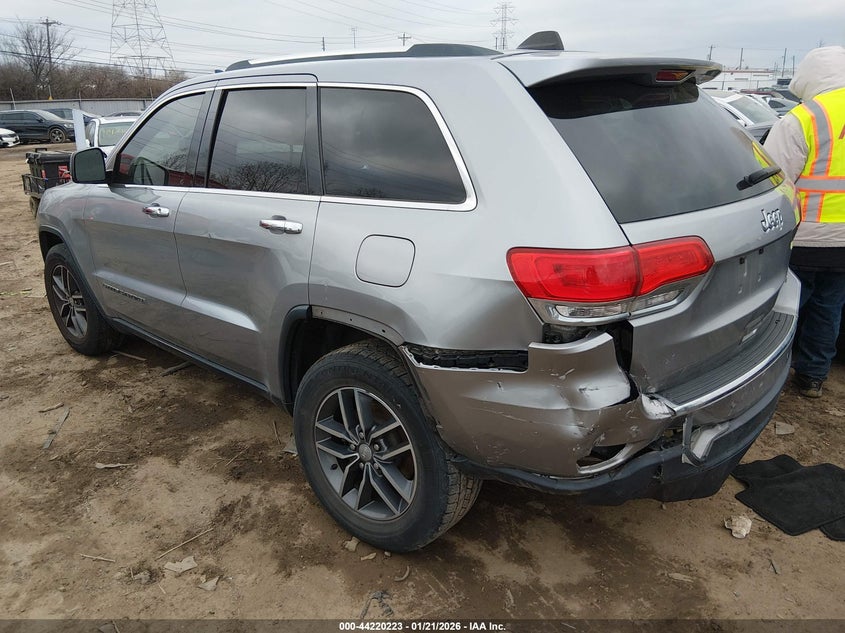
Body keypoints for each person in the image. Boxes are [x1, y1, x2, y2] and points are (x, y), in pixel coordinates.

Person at [764, 46, 845, 398]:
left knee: (786, 310)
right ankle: (813, 376)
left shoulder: (804, 117)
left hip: (804, 237)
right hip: (843, 244)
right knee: (830, 309)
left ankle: (774, 375)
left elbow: (773, 178)